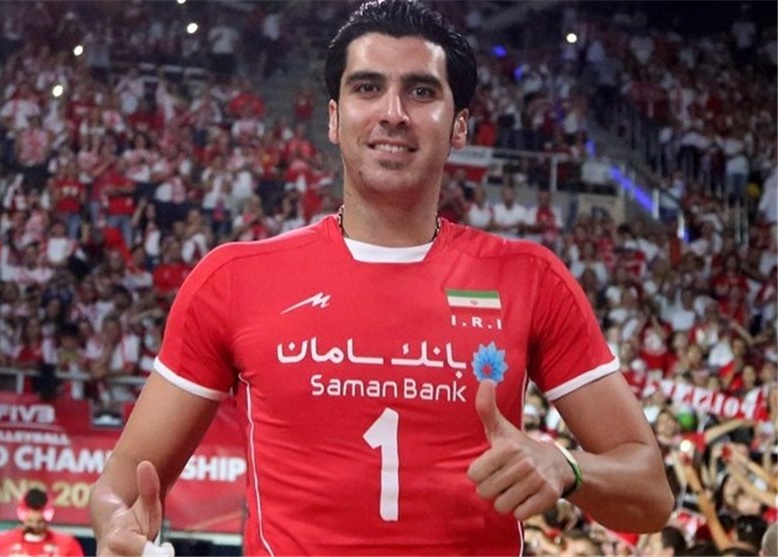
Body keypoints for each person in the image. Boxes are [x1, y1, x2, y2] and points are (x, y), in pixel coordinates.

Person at [89, 1, 673, 555]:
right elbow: (119, 482)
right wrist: (117, 526)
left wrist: (567, 467)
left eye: (421, 91)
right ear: (334, 118)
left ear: (460, 125)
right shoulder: (232, 279)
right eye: (368, 87)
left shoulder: (530, 279)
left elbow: (649, 492)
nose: (393, 112)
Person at [0, 487, 84, 557]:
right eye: (30, 521)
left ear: (48, 516)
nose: (34, 525)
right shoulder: (0, 543)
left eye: (39, 522)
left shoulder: (67, 545)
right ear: (22, 515)